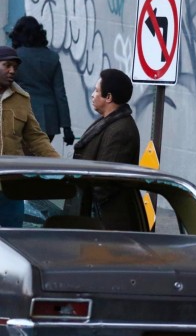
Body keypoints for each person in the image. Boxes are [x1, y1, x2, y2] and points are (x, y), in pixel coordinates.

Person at [0, 46, 60, 227]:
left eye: (15, 67)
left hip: (11, 188)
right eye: (7, 65)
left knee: (13, 238)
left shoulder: (22, 98)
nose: (12, 71)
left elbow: (36, 137)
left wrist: (59, 165)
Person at [73, 68, 140, 230]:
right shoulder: (109, 122)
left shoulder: (121, 130)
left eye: (97, 91)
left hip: (108, 223)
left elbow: (106, 181)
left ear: (108, 97)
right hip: (96, 215)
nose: (93, 95)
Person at [9, 15, 75, 145]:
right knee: (40, 154)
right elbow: (60, 94)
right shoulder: (52, 58)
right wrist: (67, 127)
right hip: (47, 120)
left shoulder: (15, 56)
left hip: (19, 115)